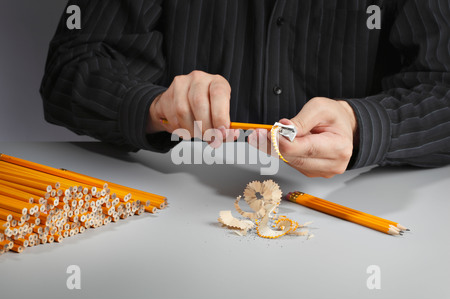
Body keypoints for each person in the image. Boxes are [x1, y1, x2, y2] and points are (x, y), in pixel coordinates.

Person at [40, 0, 450, 178]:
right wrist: (154, 106)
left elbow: (443, 86)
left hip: (348, 209)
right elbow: (72, 66)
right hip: (173, 209)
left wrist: (362, 126)